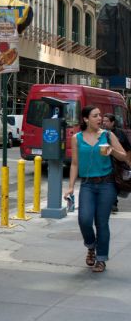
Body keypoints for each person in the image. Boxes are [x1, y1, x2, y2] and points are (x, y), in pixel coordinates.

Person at [65, 106, 127, 273]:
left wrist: (111, 150)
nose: (99, 118)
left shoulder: (108, 135)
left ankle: (101, 259)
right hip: (87, 184)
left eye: (100, 115)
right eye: (95, 115)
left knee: (101, 223)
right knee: (84, 219)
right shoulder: (77, 138)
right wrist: (70, 187)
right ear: (86, 119)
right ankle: (91, 246)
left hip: (107, 185)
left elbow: (124, 156)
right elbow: (75, 164)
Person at [102, 113, 131, 213]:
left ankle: (113, 202)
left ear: (113, 122)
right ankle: (112, 203)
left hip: (118, 164)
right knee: (108, 182)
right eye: (103, 121)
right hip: (105, 163)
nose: (104, 123)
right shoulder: (101, 133)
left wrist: (128, 162)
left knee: (116, 182)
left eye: (107, 121)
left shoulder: (120, 133)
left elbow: (128, 149)